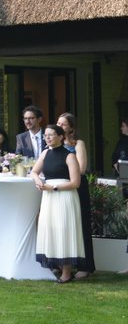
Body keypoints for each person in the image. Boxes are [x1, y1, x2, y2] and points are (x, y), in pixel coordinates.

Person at [32, 124, 83, 283]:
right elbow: (34, 171)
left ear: (61, 136)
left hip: (64, 197)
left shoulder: (70, 156)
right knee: (50, 229)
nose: (47, 137)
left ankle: (67, 272)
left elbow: (75, 183)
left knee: (64, 230)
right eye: (45, 135)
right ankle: (58, 266)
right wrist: (38, 180)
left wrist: (53, 187)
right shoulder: (45, 153)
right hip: (49, 196)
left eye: (51, 135)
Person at [57, 112, 95, 278]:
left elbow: (81, 168)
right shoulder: (53, 143)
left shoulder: (78, 144)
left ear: (71, 127)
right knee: (62, 226)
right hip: (59, 187)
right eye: (58, 123)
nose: (60, 126)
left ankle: (85, 266)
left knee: (80, 224)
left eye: (63, 124)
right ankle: (62, 265)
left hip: (77, 186)